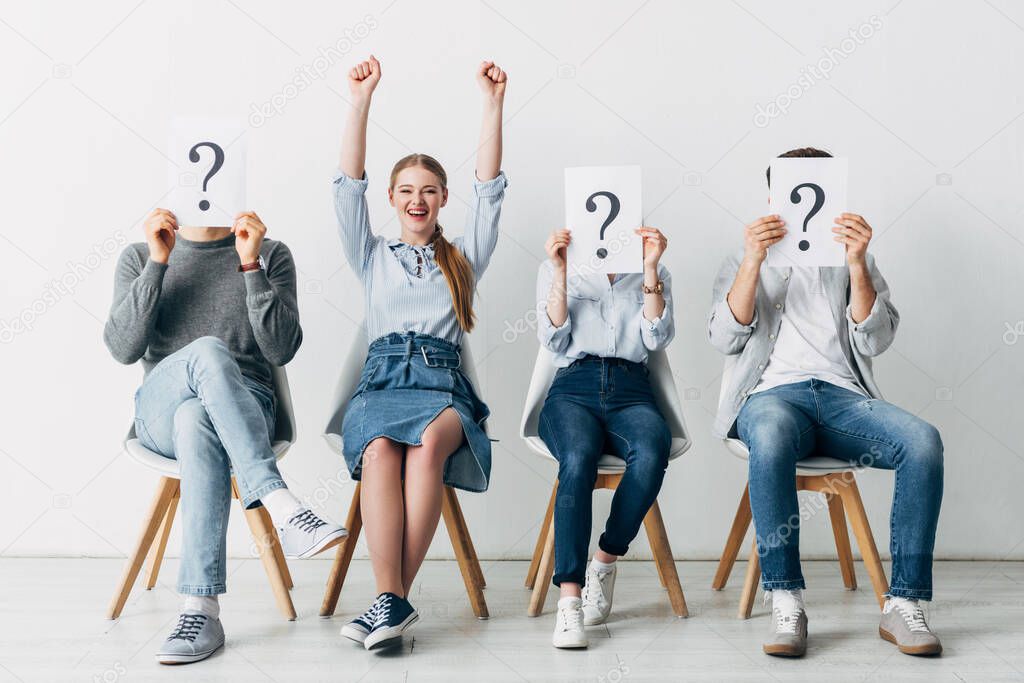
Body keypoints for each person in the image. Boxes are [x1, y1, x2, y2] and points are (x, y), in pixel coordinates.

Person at [707, 147, 944, 657]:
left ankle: (904, 604)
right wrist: (753, 260)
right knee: (769, 437)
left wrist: (857, 263)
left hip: (843, 399)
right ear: (774, 197)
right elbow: (725, 337)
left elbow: (875, 339)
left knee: (923, 441)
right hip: (770, 397)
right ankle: (786, 600)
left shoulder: (855, 258)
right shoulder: (740, 257)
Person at [104, 209, 347, 665]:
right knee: (206, 354)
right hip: (160, 409)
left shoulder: (270, 252)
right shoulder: (140, 254)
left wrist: (250, 265)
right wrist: (159, 262)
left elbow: (282, 349)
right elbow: (122, 348)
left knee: (199, 418)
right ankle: (282, 506)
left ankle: (200, 610)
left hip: (246, 404)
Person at [331, 55, 508, 650]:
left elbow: (490, 192)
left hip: (443, 389)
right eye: (406, 190)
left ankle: (386, 605)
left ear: (441, 199)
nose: (417, 199)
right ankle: (394, 602)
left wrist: (493, 104)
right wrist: (360, 102)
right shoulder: (371, 255)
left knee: (428, 444)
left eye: (428, 191)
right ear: (392, 198)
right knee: (381, 450)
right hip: (380, 386)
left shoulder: (462, 258)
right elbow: (346, 187)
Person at [535, 224, 673, 648]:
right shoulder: (557, 267)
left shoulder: (655, 271)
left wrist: (649, 268)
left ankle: (605, 560)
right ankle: (569, 602)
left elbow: (658, 337)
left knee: (651, 452)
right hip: (573, 388)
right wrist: (559, 273)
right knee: (576, 459)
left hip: (632, 389)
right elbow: (553, 338)